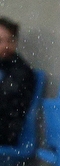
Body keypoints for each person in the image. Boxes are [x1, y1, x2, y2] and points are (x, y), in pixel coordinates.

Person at [0, 17, 38, 146]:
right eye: (0, 41)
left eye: (10, 40)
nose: (5, 46)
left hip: (6, 130)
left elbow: (6, 101)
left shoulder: (21, 71)